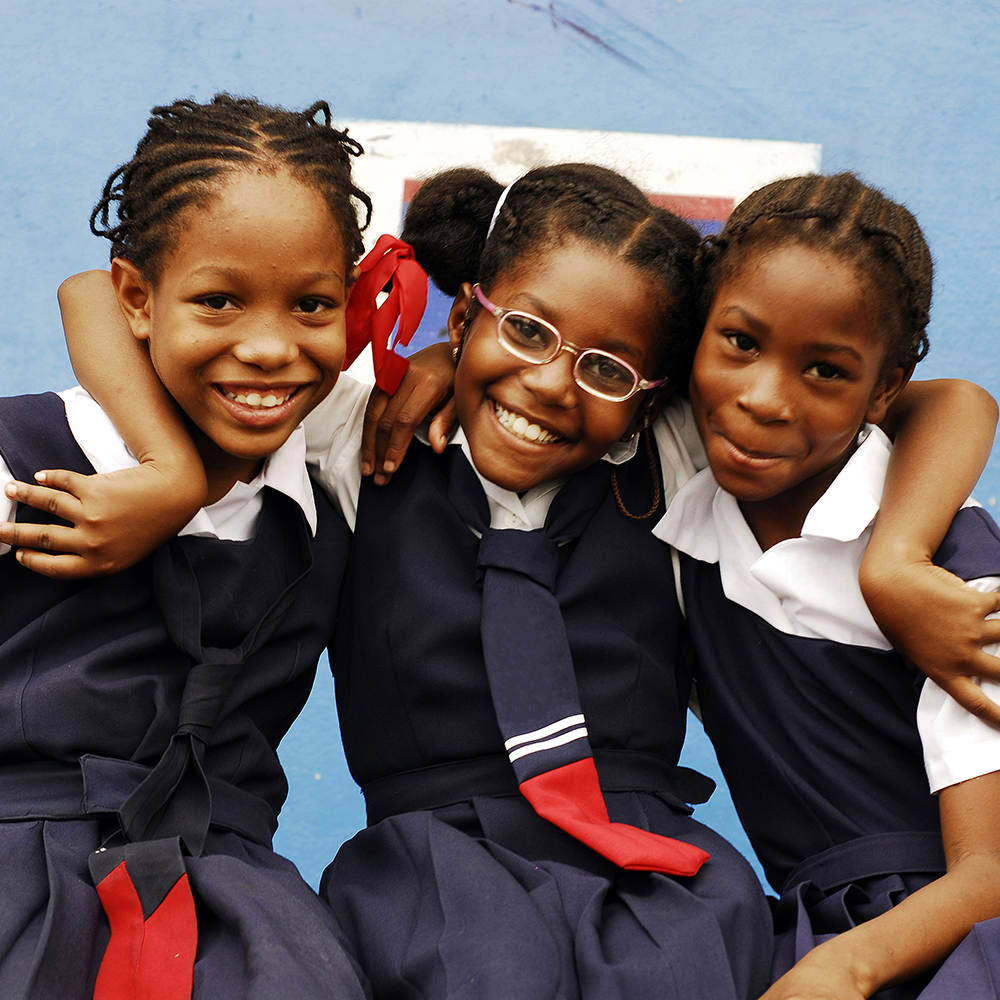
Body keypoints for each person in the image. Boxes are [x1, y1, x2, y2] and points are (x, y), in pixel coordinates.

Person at [9, 165, 998, 999]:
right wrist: (172, 470)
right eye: (524, 330)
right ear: (471, 299)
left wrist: (895, 557)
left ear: (657, 384)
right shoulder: (361, 431)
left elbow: (942, 400)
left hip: (652, 877)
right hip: (434, 871)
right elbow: (97, 293)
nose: (552, 385)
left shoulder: (673, 453)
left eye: (609, 368)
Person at [0, 94, 378, 1000]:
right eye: (218, 301)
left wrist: (437, 364)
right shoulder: (21, 461)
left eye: (312, 304)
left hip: (238, 919)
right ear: (139, 297)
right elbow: (85, 289)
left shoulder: (344, 471)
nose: (267, 347)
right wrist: (165, 471)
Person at [655, 171, 1000, 1000]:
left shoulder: (955, 569)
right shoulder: (676, 510)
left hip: (950, 942)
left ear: (883, 391)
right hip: (811, 933)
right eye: (739, 343)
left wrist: (845, 967)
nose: (765, 399)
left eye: (826, 372)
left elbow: (992, 871)